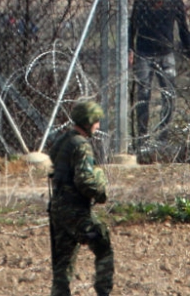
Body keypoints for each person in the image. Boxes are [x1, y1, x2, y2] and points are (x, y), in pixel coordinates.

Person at [47, 100, 113, 296]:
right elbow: (85, 181)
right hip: (75, 211)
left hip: (58, 209)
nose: (98, 125)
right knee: (103, 245)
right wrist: (101, 188)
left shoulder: (64, 139)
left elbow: (55, 161)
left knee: (63, 263)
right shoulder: (82, 145)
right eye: (96, 121)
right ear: (87, 122)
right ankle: (104, 291)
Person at [128, 0, 190, 149]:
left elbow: (184, 30)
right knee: (143, 95)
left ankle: (162, 139)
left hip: (167, 55)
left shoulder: (175, 1)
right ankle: (141, 139)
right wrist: (130, 49)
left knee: (169, 96)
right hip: (144, 53)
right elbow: (131, 26)